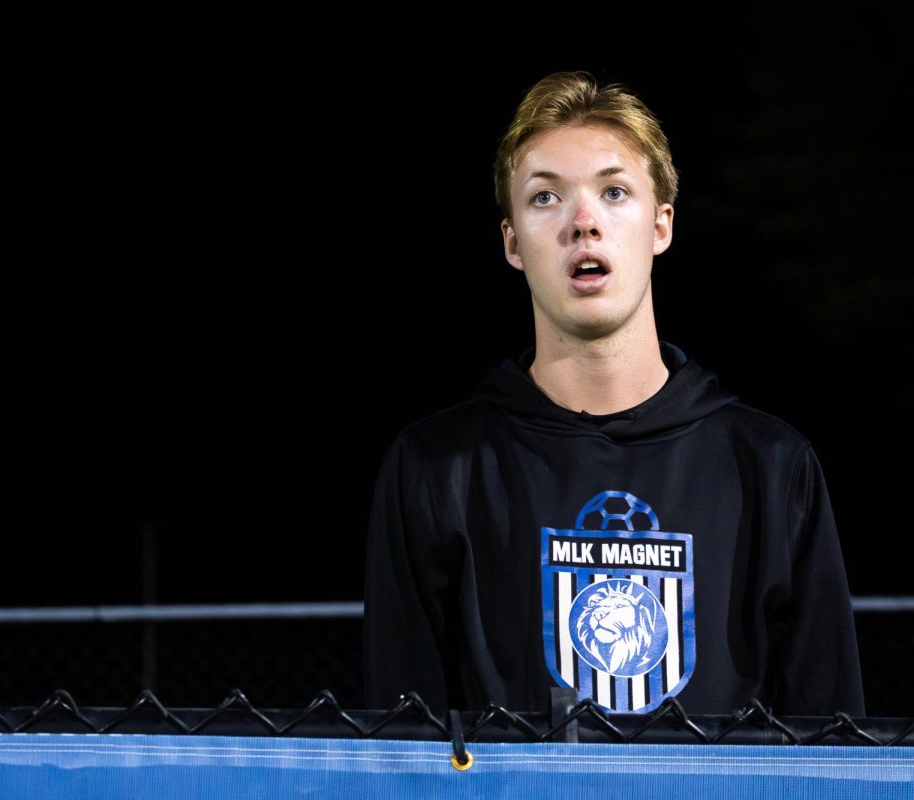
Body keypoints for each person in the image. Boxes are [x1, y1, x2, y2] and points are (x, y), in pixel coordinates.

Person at [362, 71, 864, 717]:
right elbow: (402, 750)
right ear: (513, 242)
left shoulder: (771, 466)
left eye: (615, 191)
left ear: (661, 226)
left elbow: (833, 747)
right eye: (545, 198)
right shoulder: (436, 469)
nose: (583, 221)